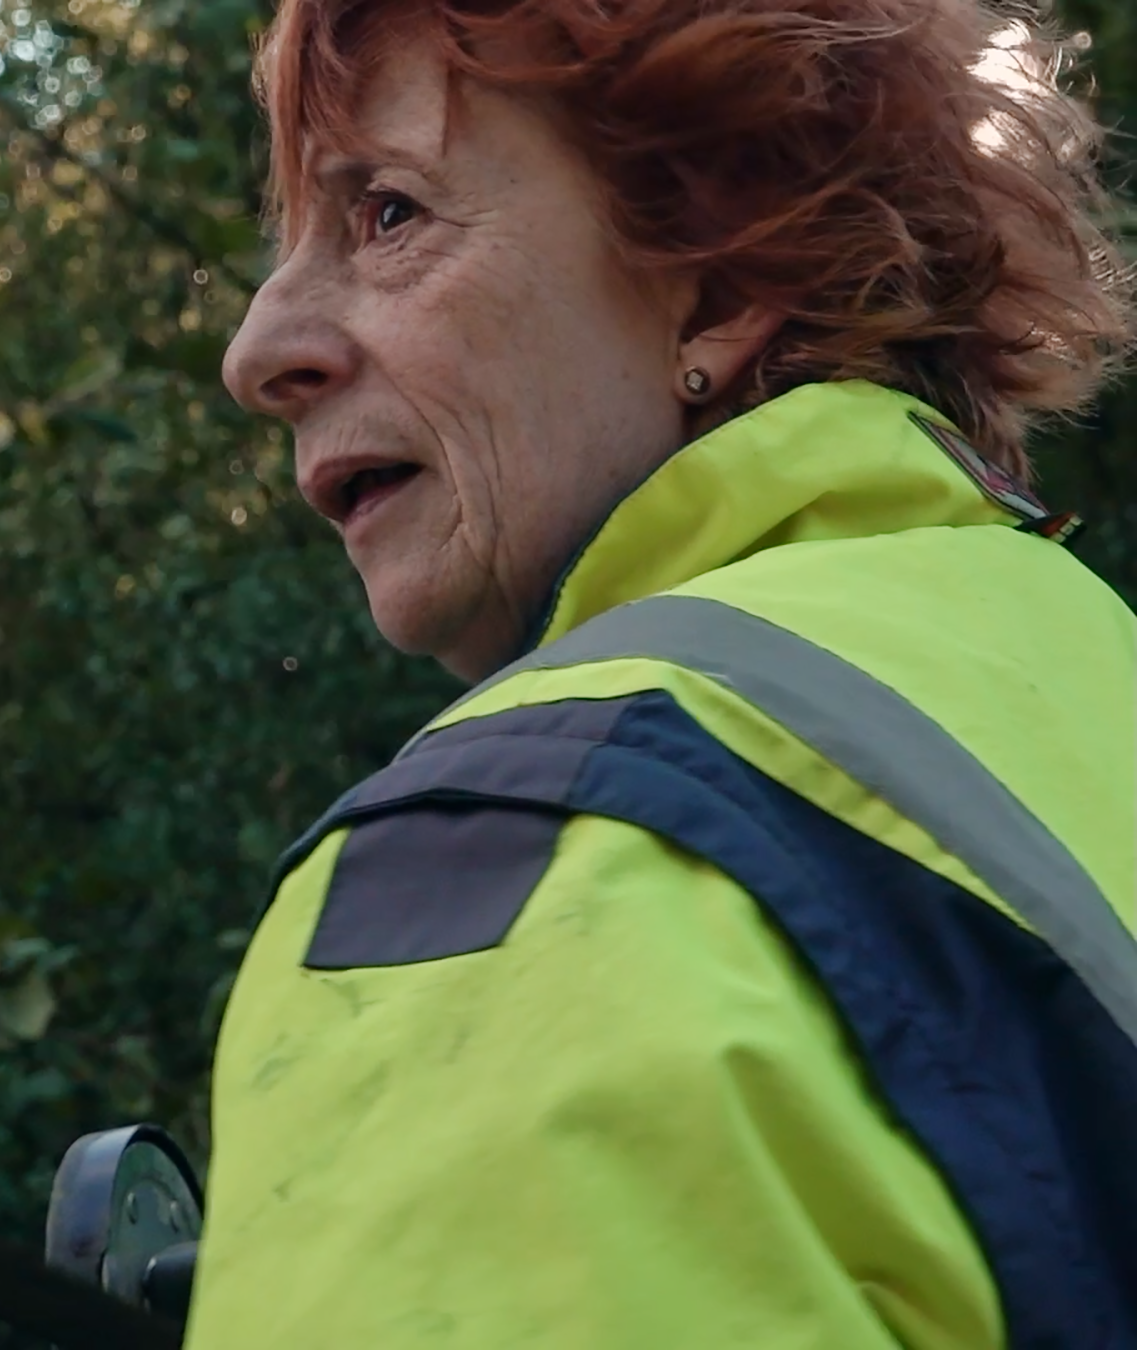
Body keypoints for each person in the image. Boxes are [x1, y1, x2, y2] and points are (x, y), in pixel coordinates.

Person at [190, 0, 1137, 1345]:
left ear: (724, 278)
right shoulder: (1085, 670)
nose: (255, 354)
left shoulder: (523, 859)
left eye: (389, 214)